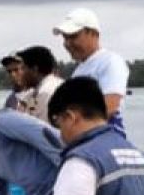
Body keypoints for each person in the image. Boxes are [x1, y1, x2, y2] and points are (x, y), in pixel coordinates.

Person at [53, 8, 131, 138]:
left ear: (93, 33)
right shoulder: (79, 70)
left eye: (73, 37)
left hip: (105, 135)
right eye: (65, 38)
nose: (67, 43)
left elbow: (110, 106)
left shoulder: (110, 62)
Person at [16, 45, 65, 123]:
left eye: (23, 68)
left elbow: (41, 130)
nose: (20, 73)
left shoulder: (45, 93)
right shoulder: (57, 84)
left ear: (35, 70)